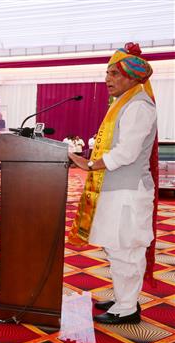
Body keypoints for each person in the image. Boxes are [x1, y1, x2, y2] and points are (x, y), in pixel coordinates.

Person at [68, 42, 158, 325]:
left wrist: (90, 164)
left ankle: (128, 308)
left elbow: (127, 152)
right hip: (117, 189)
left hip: (128, 193)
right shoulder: (124, 103)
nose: (107, 79)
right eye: (107, 73)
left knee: (127, 249)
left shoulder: (139, 106)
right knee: (114, 246)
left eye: (114, 74)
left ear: (132, 77)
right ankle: (122, 298)